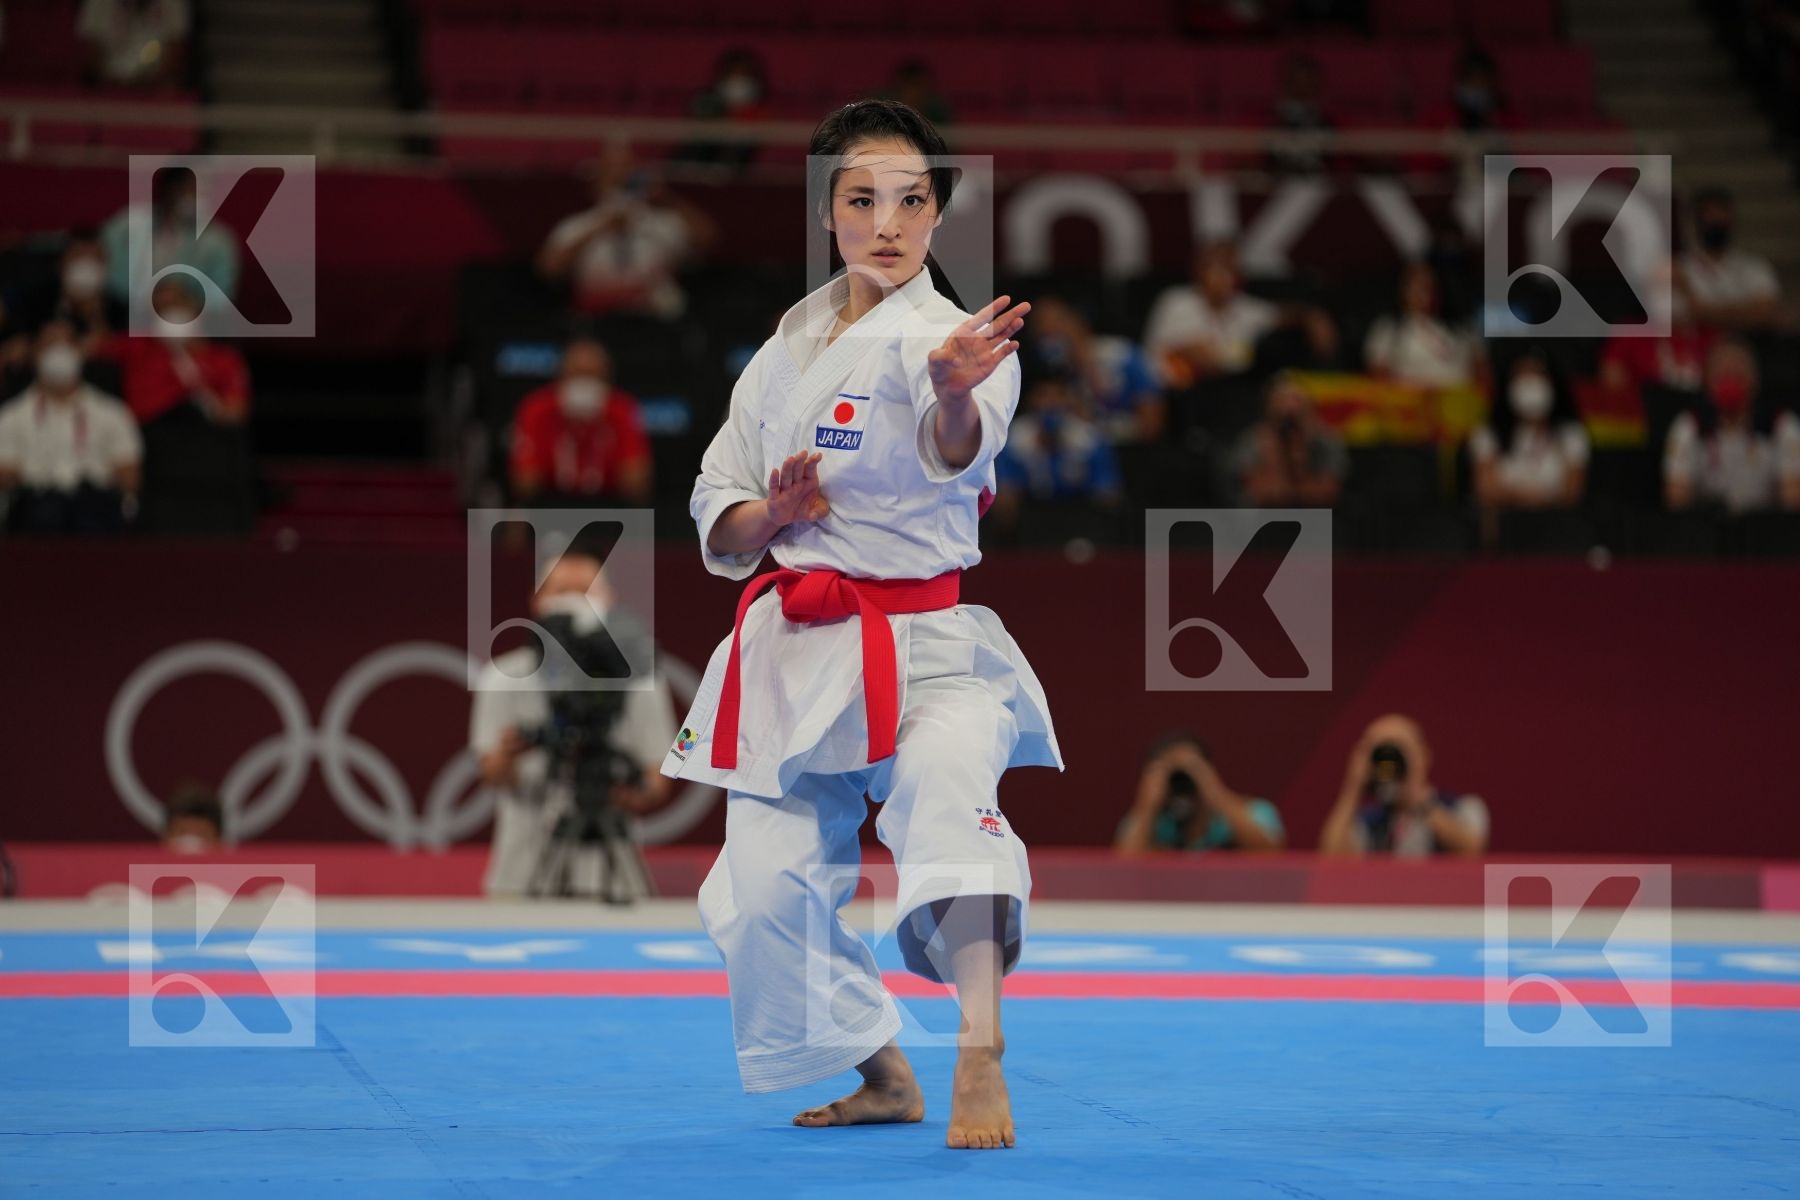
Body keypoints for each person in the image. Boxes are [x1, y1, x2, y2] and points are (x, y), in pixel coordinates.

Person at [661, 99, 1062, 1150]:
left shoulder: (957, 342)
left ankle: (981, 1049)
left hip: (928, 646)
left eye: (913, 200)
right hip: (801, 645)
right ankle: (882, 1068)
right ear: (826, 209)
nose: (888, 222)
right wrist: (777, 515)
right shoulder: (785, 347)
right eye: (862, 199)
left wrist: (952, 397)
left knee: (944, 811)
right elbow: (719, 497)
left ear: (938, 216)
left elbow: (957, 448)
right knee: (757, 892)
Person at [470, 548, 677, 899]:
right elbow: (488, 772)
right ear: (537, 602)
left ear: (610, 601)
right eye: (561, 591)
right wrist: (507, 758)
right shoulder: (501, 676)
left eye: (586, 591)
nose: (574, 603)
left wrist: (628, 792)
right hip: (521, 876)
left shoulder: (643, 678)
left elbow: (662, 770)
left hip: (612, 882)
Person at [536, 147, 717, 319]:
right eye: (611, 175)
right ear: (596, 181)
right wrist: (602, 228)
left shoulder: (660, 221)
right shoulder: (578, 225)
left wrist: (667, 197)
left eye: (626, 175)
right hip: (596, 319)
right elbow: (548, 269)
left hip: (653, 320)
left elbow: (708, 239)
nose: (619, 180)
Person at [0, 321, 141, 535]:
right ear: (36, 353)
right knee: (46, 512)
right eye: (50, 344)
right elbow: (4, 473)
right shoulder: (11, 414)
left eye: (66, 344)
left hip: (93, 505)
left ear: (80, 352)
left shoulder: (112, 412)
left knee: (91, 514)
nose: (59, 352)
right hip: (35, 505)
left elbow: (130, 476)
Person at [1143, 241, 1336, 389]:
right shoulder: (1177, 301)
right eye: (1217, 268)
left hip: (1231, 391)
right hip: (1176, 392)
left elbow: (1281, 315)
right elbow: (1195, 354)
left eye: (1231, 269)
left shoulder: (1244, 307)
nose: (1224, 277)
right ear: (1199, 270)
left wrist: (1313, 316)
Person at [1318, 714, 1488, 858]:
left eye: (1398, 748)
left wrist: (1418, 801)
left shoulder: (1463, 807)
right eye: (1380, 750)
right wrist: (1353, 787)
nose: (1389, 760)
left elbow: (1472, 852)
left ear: (1423, 755)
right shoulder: (1370, 821)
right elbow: (1332, 859)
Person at [508, 335, 652, 504]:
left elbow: (637, 485)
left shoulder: (622, 409)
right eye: (577, 374)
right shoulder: (537, 408)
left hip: (609, 509)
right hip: (549, 507)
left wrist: (601, 424)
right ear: (560, 376)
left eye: (592, 376)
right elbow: (524, 484)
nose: (584, 384)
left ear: (607, 380)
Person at [1664, 339, 1800, 513]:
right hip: (1708, 527)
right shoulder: (1690, 426)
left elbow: (1793, 500)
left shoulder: (1781, 425)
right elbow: (1676, 498)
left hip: (1764, 529)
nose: (1730, 384)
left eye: (1738, 375)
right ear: (1707, 382)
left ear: (1755, 380)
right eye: (1722, 376)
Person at [1469, 353, 1590, 545]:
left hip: (1556, 529)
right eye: (1522, 378)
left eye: (1537, 376)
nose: (1530, 385)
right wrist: (1534, 497)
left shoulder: (1570, 434)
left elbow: (1573, 492)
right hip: (1505, 528)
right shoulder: (1489, 433)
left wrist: (1524, 497)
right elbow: (1486, 489)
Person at [98, 277, 250, 426]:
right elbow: (92, 347)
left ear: (195, 307)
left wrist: (209, 405)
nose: (169, 314)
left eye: (176, 304)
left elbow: (235, 412)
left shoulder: (224, 358)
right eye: (161, 310)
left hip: (201, 435)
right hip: (151, 434)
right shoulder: (137, 345)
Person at [989, 371, 1123, 535]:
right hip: (1033, 518)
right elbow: (1005, 500)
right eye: (1044, 395)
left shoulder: (1090, 439)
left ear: (1069, 400)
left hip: (1079, 516)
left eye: (1059, 395)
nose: (1051, 403)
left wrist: (1070, 458)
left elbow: (1108, 496)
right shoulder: (1013, 440)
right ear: (1031, 400)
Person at [1115, 732, 1285, 854]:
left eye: (1188, 773)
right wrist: (1147, 805)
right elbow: (1121, 870)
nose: (1181, 783)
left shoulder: (1253, 811)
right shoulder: (1147, 822)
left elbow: (1271, 855)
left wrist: (1215, 793)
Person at [1026, 296, 1164, 442]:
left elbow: (1152, 423)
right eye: (1040, 326)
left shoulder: (1124, 356)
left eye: (1057, 323)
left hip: (1129, 447)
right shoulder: (1046, 370)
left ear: (1077, 321)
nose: (1049, 331)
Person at [100, 167, 238, 308]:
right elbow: (105, 270)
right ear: (170, 187)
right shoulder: (127, 225)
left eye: (204, 192)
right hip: (122, 308)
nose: (197, 197)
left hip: (184, 316)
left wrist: (186, 300)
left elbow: (219, 298)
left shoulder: (218, 240)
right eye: (191, 189)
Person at [1676, 187, 1783, 333]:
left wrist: (1703, 311)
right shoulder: (1678, 269)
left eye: (1721, 217)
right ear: (1695, 221)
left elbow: (1765, 312)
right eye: (1709, 217)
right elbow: (1681, 316)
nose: (1715, 223)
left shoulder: (1755, 266)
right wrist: (1742, 311)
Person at [1363, 262, 1484, 390]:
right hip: (1412, 401)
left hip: (1464, 400)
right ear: (1402, 290)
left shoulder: (1464, 328)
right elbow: (1378, 377)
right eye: (1416, 284)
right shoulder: (1388, 328)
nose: (1424, 290)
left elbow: (1484, 374)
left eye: (1429, 283)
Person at [1230, 373, 1347, 507]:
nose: (1288, 410)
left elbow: (1329, 492)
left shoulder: (1326, 439)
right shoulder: (1253, 439)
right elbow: (1256, 491)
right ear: (1269, 407)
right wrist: (1274, 457)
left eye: (1295, 401)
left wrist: (1302, 456)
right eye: (1281, 402)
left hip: (1318, 516)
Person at [78, 0, 189, 90]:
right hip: (108, 86)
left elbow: (175, 52)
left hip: (153, 88)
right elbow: (91, 52)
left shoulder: (173, 3)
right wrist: (111, 82)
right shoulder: (97, 3)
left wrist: (144, 83)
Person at [879, 60, 954, 127]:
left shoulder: (939, 111)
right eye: (915, 85)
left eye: (925, 88)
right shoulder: (880, 109)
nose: (919, 93)